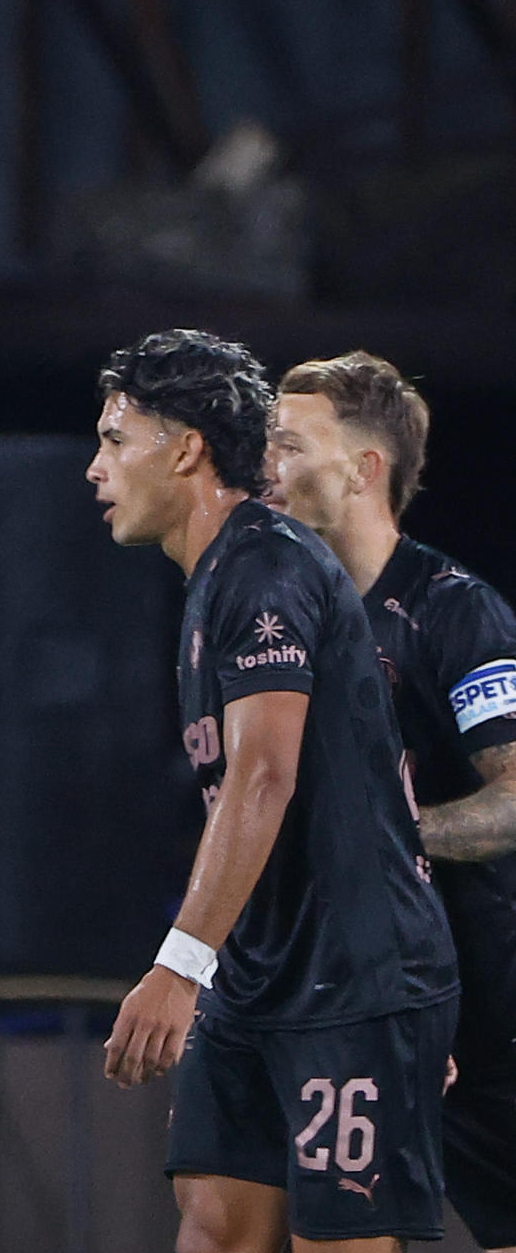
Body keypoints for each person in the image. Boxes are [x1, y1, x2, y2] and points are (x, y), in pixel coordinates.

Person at [87, 329, 458, 1252]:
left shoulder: (266, 566)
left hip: (355, 975)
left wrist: (179, 964)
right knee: (213, 1226)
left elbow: (263, 773)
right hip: (258, 972)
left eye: (114, 439)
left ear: (185, 450)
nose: (96, 468)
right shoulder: (214, 581)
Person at [265, 350, 516, 1253]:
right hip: (337, 994)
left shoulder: (457, 613)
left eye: (291, 446)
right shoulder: (279, 619)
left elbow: (515, 802)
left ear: (366, 469)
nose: (269, 469)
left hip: (481, 999)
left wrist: (387, 836)